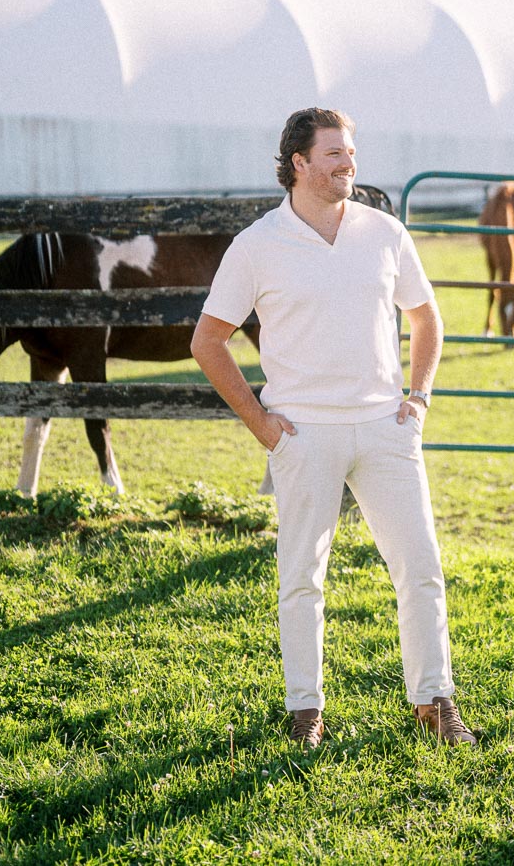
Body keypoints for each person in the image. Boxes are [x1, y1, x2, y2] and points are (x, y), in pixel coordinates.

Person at [190, 108, 477, 750]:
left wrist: (419, 398)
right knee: (302, 577)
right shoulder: (257, 244)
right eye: (334, 155)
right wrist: (262, 424)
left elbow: (428, 319)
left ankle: (435, 703)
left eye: (351, 152)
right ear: (298, 163)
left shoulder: (384, 233)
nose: (349, 164)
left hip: (384, 430)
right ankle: (305, 712)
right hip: (303, 433)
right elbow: (208, 341)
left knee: (422, 568)